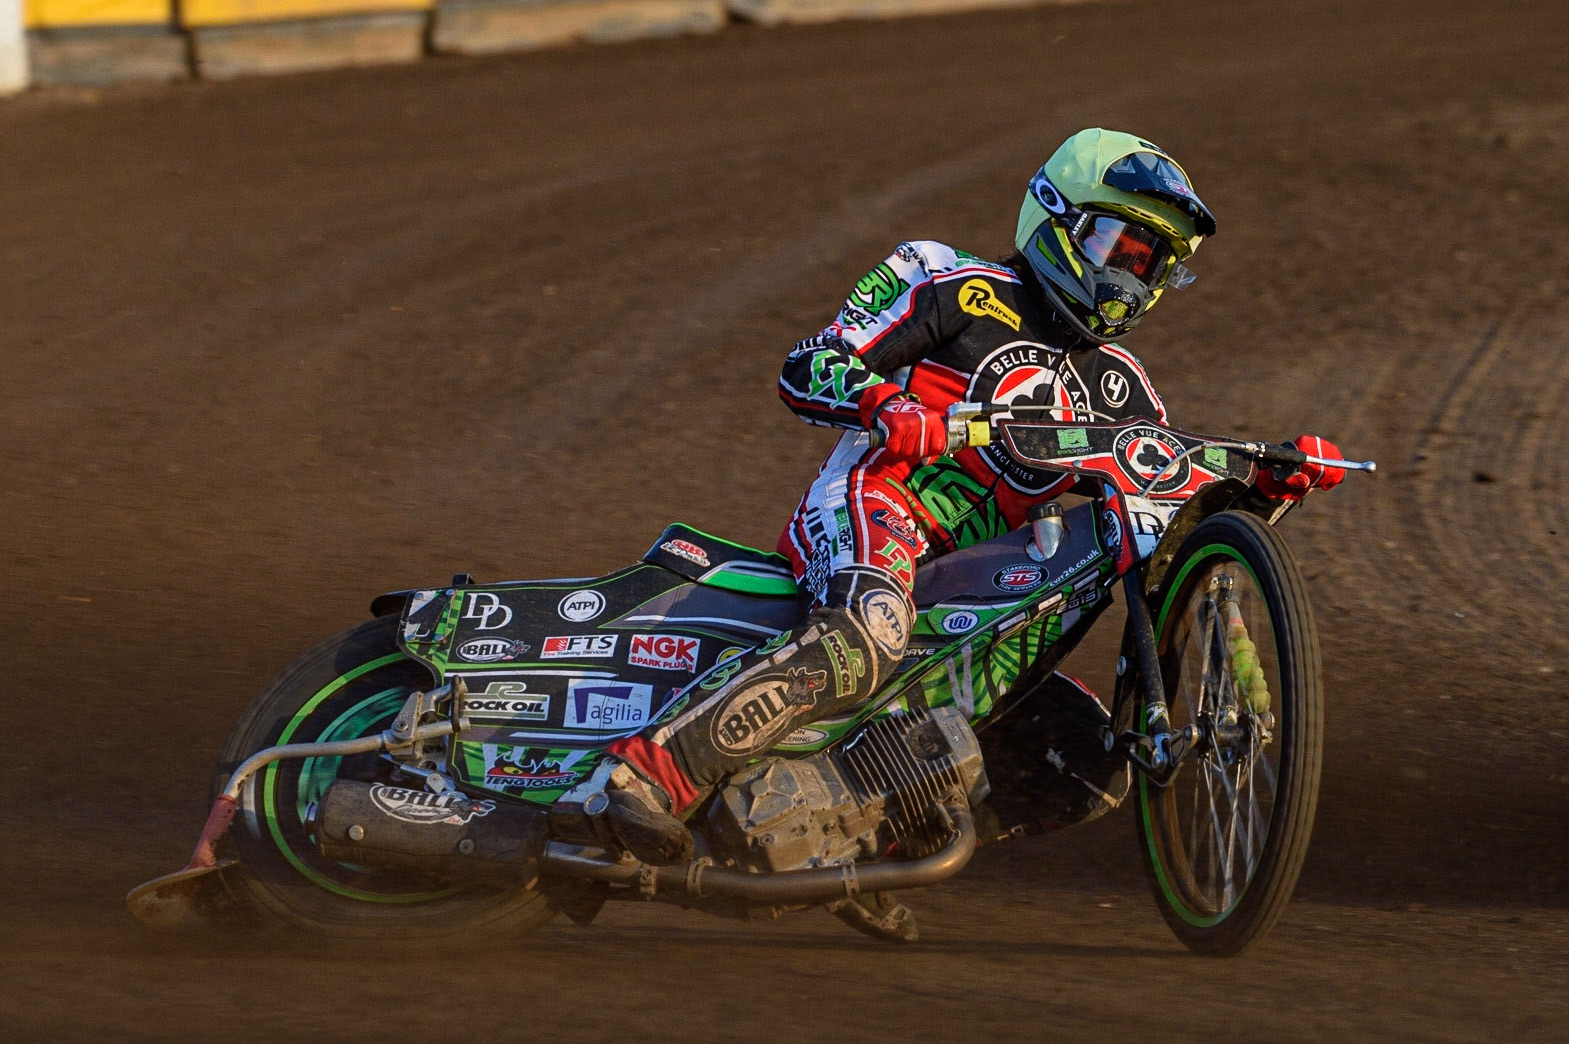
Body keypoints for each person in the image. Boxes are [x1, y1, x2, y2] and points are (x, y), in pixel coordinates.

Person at [595, 127, 1345, 865]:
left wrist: (1263, 482)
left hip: (982, 585)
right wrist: (887, 405)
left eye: (1148, 262)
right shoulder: (950, 281)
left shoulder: (1122, 385)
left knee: (1087, 758)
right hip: (877, 505)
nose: (1128, 276)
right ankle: (643, 776)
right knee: (871, 630)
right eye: (1117, 246)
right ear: (1056, 218)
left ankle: (858, 848)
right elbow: (809, 362)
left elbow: (1166, 504)